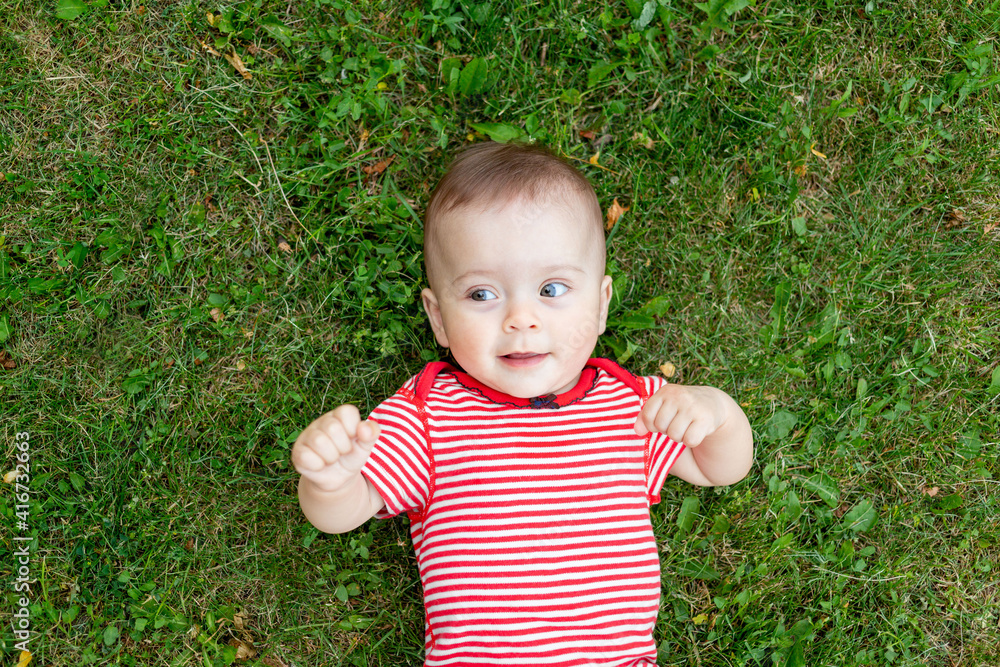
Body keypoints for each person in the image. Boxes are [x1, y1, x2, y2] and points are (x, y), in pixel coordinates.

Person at [292, 142, 754, 666]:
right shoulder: (429, 414)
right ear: (438, 318)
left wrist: (715, 412)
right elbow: (343, 514)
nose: (521, 319)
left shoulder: (633, 405)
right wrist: (331, 479)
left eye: (552, 288)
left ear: (601, 305)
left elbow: (723, 469)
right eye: (482, 295)